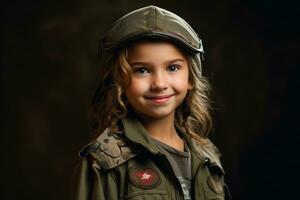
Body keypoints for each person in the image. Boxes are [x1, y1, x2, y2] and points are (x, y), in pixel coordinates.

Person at [72, 5, 231, 200]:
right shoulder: (104, 162)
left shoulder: (208, 158)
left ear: (190, 78)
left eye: (173, 68)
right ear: (120, 79)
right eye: (142, 70)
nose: (159, 84)